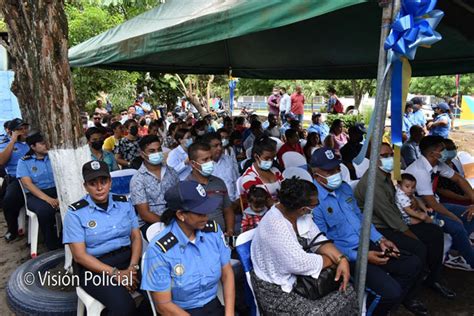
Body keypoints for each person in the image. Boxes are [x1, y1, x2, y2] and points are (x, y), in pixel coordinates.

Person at [311, 147, 426, 315]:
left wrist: (380, 240)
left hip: (368, 243)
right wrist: (362, 256)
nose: (336, 173)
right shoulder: (313, 201)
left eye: (337, 168)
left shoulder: (344, 188)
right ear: (316, 175)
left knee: (412, 264)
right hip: (348, 256)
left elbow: (362, 218)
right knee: (390, 292)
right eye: (329, 171)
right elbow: (323, 243)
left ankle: (387, 305)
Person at [355, 142, 455, 299]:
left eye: (391, 155)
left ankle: (432, 279)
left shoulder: (385, 176)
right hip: (380, 228)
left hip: (395, 220)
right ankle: (409, 296)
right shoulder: (373, 184)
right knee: (419, 247)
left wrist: (414, 204)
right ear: (373, 158)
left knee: (435, 232)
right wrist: (416, 236)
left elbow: (397, 203)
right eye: (384, 156)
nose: (390, 159)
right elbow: (392, 219)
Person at [250, 177, 357, 315]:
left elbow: (318, 239)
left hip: (298, 279)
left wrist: (341, 258)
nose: (317, 206)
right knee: (317, 313)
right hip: (276, 290)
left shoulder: (298, 214)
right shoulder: (275, 228)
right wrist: (333, 260)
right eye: (314, 204)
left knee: (348, 291)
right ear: (302, 209)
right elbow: (301, 263)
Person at [141, 181, 235, 315]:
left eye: (207, 211)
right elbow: (164, 305)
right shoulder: (159, 250)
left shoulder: (212, 232)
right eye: (200, 213)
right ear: (181, 215)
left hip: (213, 305)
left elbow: (227, 273)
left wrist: (229, 313)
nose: (206, 216)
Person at [63, 160, 143, 315]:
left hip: (129, 260)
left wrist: (132, 268)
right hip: (94, 268)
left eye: (103, 181)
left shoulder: (124, 203)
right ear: (85, 186)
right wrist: (117, 274)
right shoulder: (75, 213)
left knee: (161, 289)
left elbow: (136, 237)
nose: (99, 188)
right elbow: (80, 256)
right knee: (124, 307)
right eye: (93, 183)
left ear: (110, 182)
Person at [405, 136, 474, 271]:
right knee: (457, 227)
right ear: (432, 153)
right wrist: (454, 218)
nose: (446, 152)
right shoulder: (419, 170)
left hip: (435, 205)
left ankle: (455, 251)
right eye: (442, 149)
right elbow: (431, 203)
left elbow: (459, 179)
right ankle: (471, 260)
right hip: (421, 211)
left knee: (470, 214)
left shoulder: (436, 164)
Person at [16, 132, 61, 250]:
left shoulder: (54, 156)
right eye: (42, 143)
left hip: (56, 191)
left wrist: (60, 197)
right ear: (33, 147)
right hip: (36, 194)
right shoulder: (24, 161)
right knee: (45, 211)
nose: (46, 145)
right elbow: (28, 184)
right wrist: (48, 199)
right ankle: (51, 244)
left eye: (46, 142)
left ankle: (65, 237)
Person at [130, 135, 179, 236]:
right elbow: (144, 214)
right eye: (152, 151)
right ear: (142, 154)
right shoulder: (138, 179)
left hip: (175, 218)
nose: (157, 153)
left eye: (159, 149)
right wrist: (168, 224)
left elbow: (180, 197)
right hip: (151, 224)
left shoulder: (171, 172)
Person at [187, 142, 235, 235]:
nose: (210, 162)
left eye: (211, 158)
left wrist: (230, 231)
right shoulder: (186, 187)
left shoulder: (219, 183)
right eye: (205, 160)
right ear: (193, 163)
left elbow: (228, 210)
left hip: (222, 237)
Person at [0, 118, 30, 241]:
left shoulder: (32, 141)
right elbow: (2, 161)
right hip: (16, 179)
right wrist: (13, 140)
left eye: (25, 128)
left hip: (35, 176)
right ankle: (12, 229)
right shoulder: (6, 144)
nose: (23, 131)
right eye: (19, 129)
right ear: (12, 131)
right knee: (8, 201)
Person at [241, 136, 283, 201]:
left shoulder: (276, 171)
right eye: (267, 158)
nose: (270, 161)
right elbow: (260, 201)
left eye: (272, 158)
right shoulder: (248, 177)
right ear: (256, 157)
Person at [202, 132, 239, 202]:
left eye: (220, 145)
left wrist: (237, 200)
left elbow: (236, 181)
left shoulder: (228, 159)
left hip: (234, 202)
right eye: (215, 146)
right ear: (207, 148)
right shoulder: (203, 166)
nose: (219, 148)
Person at [437, 139, 473, 205]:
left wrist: (469, 195)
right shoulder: (438, 166)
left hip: (462, 195)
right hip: (448, 199)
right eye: (449, 149)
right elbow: (441, 190)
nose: (453, 150)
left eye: (454, 148)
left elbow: (462, 180)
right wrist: (463, 198)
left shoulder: (456, 162)